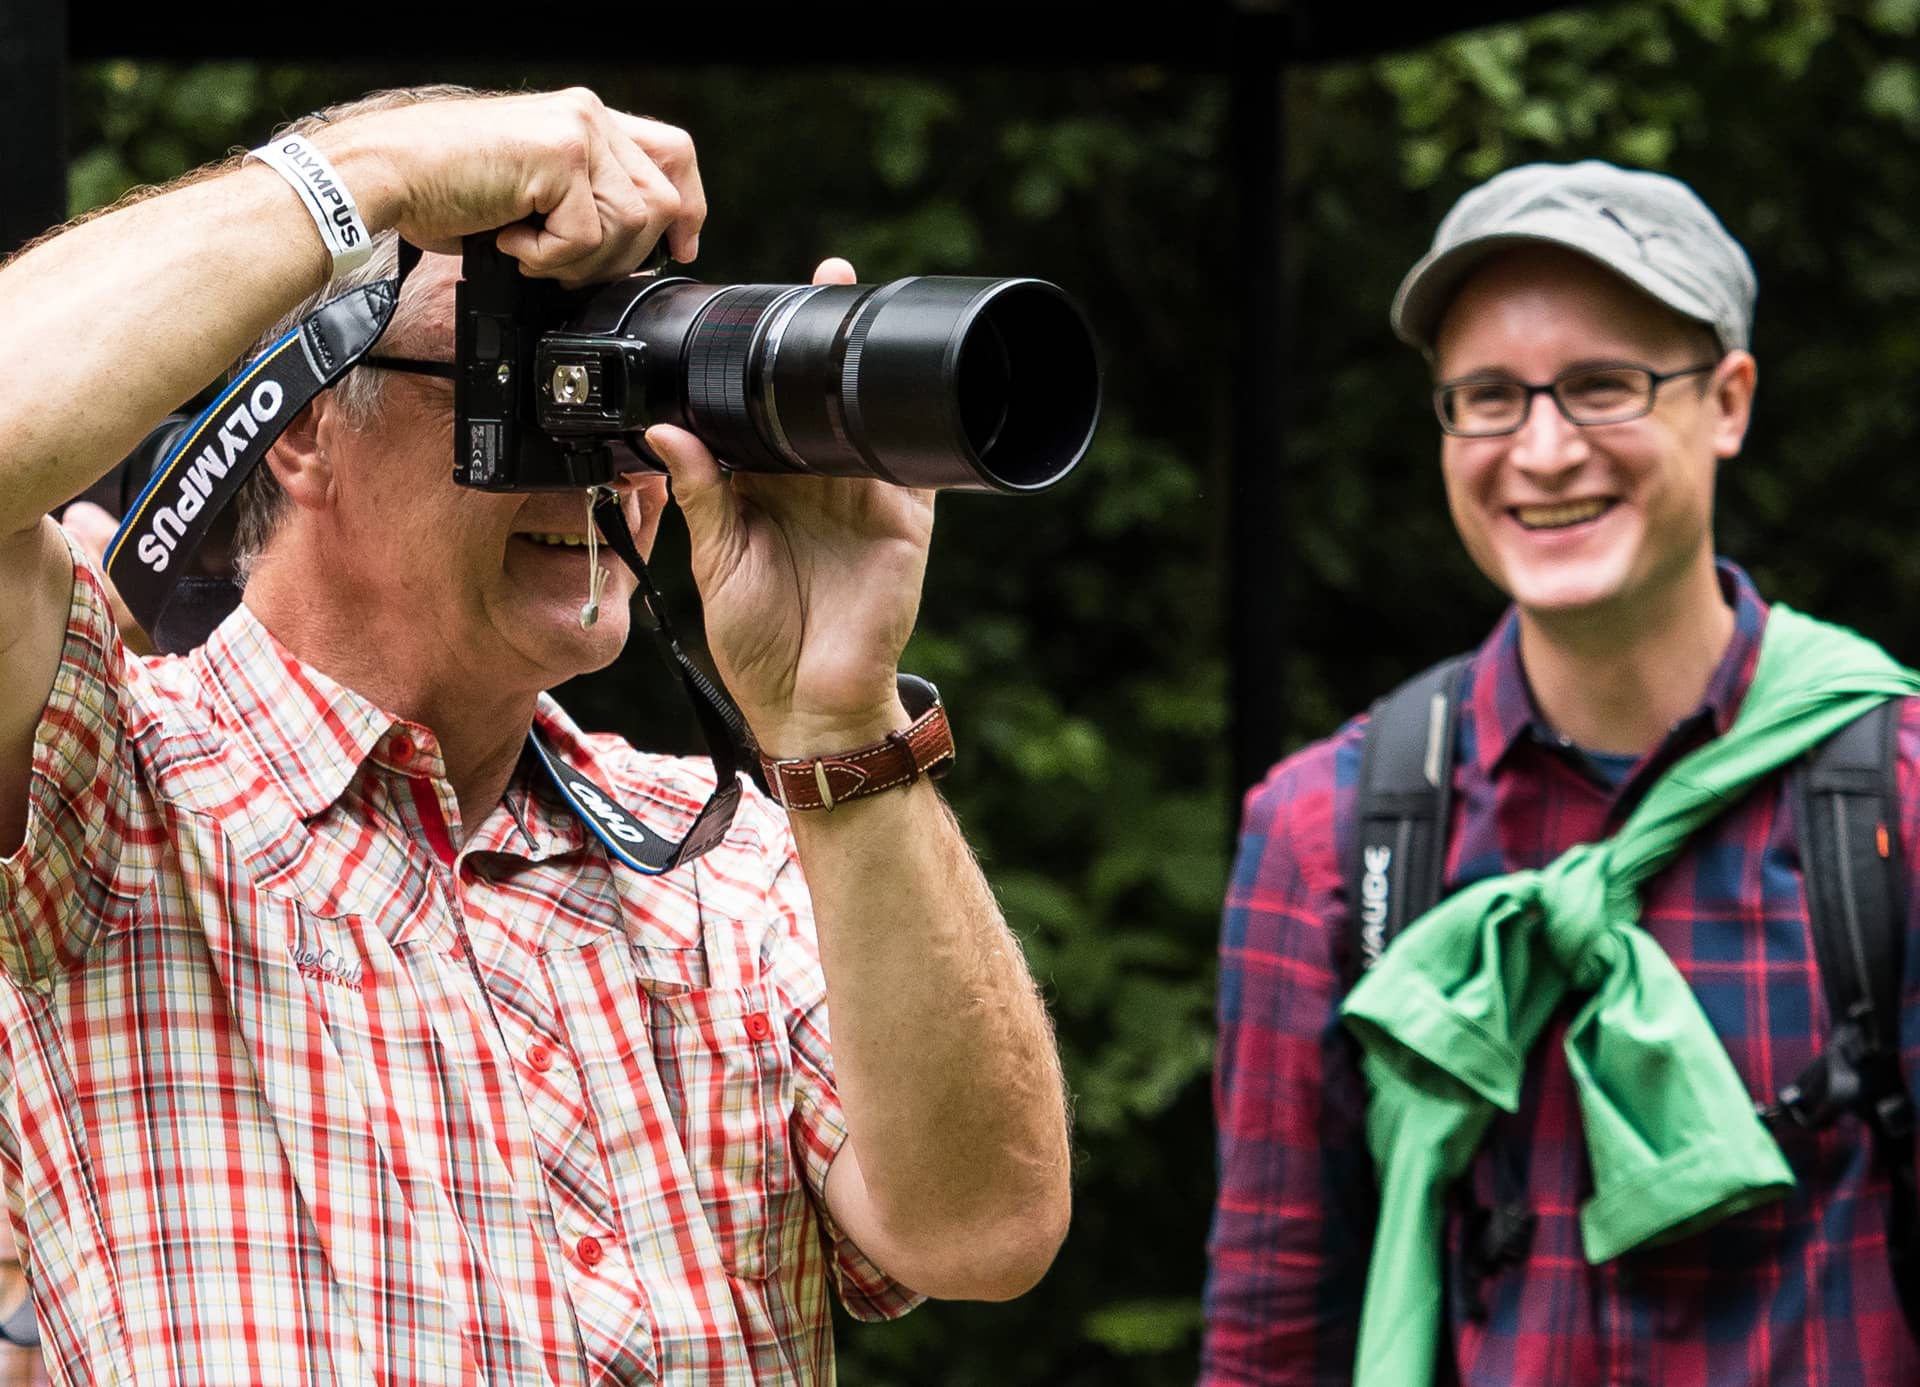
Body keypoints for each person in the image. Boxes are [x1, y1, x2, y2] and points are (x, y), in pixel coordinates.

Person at [0, 84, 1072, 1384]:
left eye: (628, 376)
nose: (602, 452)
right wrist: (375, 171)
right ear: (302, 427)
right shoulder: (111, 794)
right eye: (521, 373)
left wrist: (840, 721)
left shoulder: (729, 861)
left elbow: (982, 1229)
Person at [1200, 160, 1920, 1384]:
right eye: (1488, 397)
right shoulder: (1329, 831)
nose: (1541, 451)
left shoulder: (1894, 795)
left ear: (1729, 401)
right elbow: (1270, 1344)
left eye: (1601, 386)